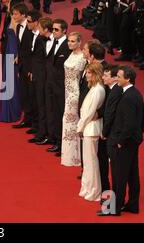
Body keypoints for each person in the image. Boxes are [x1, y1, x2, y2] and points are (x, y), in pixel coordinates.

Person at [99, 66, 144, 216]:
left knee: (118, 176)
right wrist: (138, 134)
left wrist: (122, 140)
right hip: (132, 142)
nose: (117, 78)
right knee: (132, 175)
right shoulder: (135, 93)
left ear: (127, 79)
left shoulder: (128, 97)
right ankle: (133, 205)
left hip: (123, 143)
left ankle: (114, 208)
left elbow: (129, 124)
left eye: (119, 76)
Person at [77, 62, 105, 202]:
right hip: (88, 128)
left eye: (89, 73)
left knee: (92, 163)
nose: (86, 75)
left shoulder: (98, 90)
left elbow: (89, 113)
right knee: (87, 163)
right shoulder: (94, 88)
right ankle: (87, 188)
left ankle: (94, 192)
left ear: (95, 74)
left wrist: (80, 127)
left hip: (91, 129)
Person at [44, 19, 71, 156]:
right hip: (50, 84)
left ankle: (62, 145)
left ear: (64, 30)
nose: (53, 32)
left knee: (61, 115)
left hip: (61, 87)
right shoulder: (51, 42)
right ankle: (55, 140)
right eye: (53, 29)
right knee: (52, 113)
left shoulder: (68, 46)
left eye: (56, 30)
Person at [0, 2, 27, 123]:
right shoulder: (10, 17)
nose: (14, 15)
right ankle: (7, 110)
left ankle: (14, 110)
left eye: (15, 13)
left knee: (13, 81)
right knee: (7, 80)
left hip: (14, 51)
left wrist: (18, 55)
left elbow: (20, 41)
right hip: (9, 50)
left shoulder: (20, 24)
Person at [61, 32, 86, 167]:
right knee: (69, 123)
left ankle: (75, 157)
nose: (70, 43)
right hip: (67, 92)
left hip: (74, 94)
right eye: (69, 41)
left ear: (79, 42)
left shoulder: (82, 57)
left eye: (72, 41)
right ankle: (71, 155)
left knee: (71, 123)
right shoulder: (71, 54)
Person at [29, 16, 52, 144]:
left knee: (44, 105)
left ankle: (44, 133)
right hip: (40, 75)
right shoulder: (41, 39)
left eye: (39, 28)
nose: (38, 29)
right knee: (41, 104)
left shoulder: (44, 40)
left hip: (45, 77)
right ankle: (42, 131)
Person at [100, 64, 123, 195]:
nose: (103, 77)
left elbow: (110, 114)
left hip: (114, 137)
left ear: (114, 78)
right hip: (117, 136)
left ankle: (114, 205)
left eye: (106, 75)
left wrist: (104, 132)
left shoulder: (115, 92)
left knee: (116, 172)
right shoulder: (113, 90)